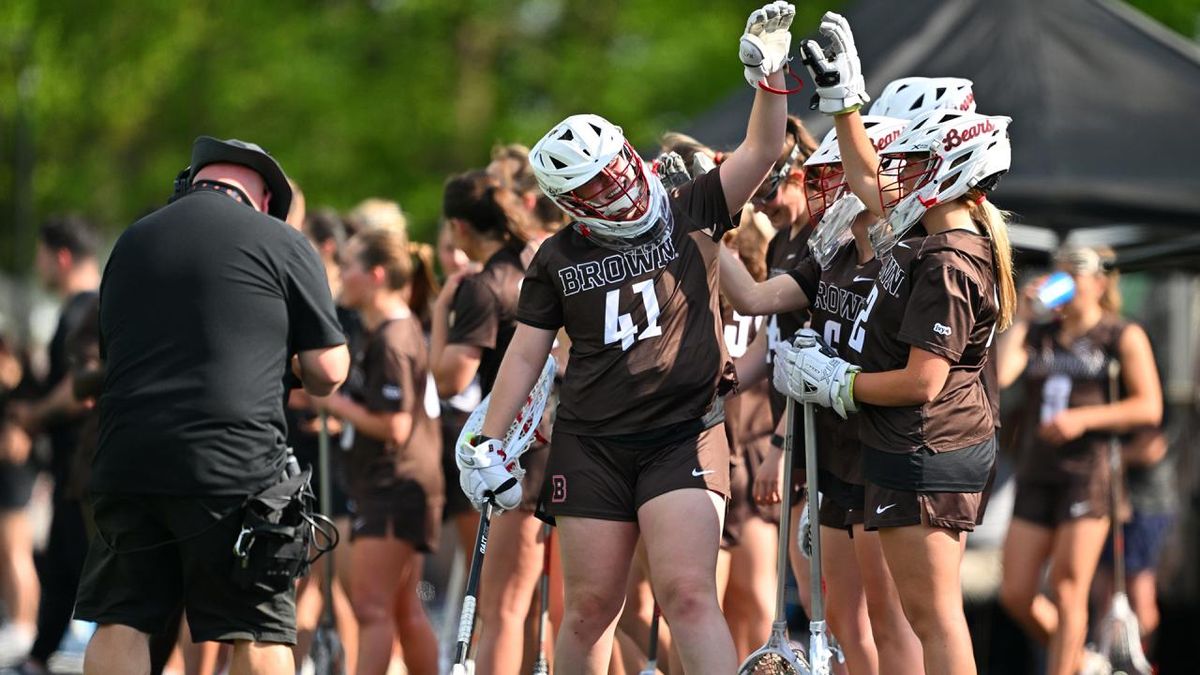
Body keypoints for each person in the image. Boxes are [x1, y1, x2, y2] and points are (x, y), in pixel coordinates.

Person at [457, 4, 794, 672]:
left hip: (682, 430)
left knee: (689, 593)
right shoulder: (555, 257)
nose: (618, 184)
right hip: (594, 440)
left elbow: (761, 150)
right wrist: (486, 439)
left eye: (617, 167)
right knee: (587, 608)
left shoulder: (689, 205)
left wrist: (770, 75)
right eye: (599, 183)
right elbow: (527, 353)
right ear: (571, 202)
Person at [774, 12, 1017, 674]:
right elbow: (866, 191)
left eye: (915, 162)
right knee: (919, 614)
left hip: (927, 442)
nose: (897, 173)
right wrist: (846, 103)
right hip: (914, 443)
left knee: (931, 616)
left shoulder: (948, 257)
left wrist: (832, 382)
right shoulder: (930, 243)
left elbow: (921, 381)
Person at [76, 136, 349, 675]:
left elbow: (116, 353)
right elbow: (329, 371)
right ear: (267, 199)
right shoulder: (282, 242)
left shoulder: (132, 241)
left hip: (128, 458)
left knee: (122, 617)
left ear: (195, 178)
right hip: (235, 467)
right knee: (257, 625)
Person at [996, 246, 1162, 675]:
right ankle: (1082, 661)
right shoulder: (1042, 334)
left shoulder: (1120, 334)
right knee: (1016, 590)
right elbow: (999, 377)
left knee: (1068, 589)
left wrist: (1084, 419)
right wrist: (1027, 318)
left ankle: (1064, 668)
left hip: (1087, 474)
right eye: (1060, 273)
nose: (1065, 281)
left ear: (1100, 283)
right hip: (1038, 471)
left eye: (1076, 274)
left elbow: (1149, 407)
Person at [314, 228, 442, 675]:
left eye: (347, 266)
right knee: (403, 609)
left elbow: (395, 425)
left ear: (375, 274)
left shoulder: (393, 337)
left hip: (394, 485)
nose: (340, 275)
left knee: (371, 609)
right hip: (399, 483)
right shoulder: (390, 329)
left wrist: (334, 404)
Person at [430, 170, 543, 675]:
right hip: (575, 443)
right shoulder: (544, 257)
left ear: (458, 227)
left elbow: (451, 378)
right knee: (569, 609)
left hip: (516, 453)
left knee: (502, 610)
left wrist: (438, 315)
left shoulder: (483, 285)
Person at [7, 214, 100, 674]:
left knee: (99, 574)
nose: (39, 265)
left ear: (61, 257)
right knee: (65, 567)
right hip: (72, 471)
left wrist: (33, 416)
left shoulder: (86, 308)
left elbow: (82, 389)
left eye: (42, 256)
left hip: (88, 469)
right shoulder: (82, 307)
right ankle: (39, 656)